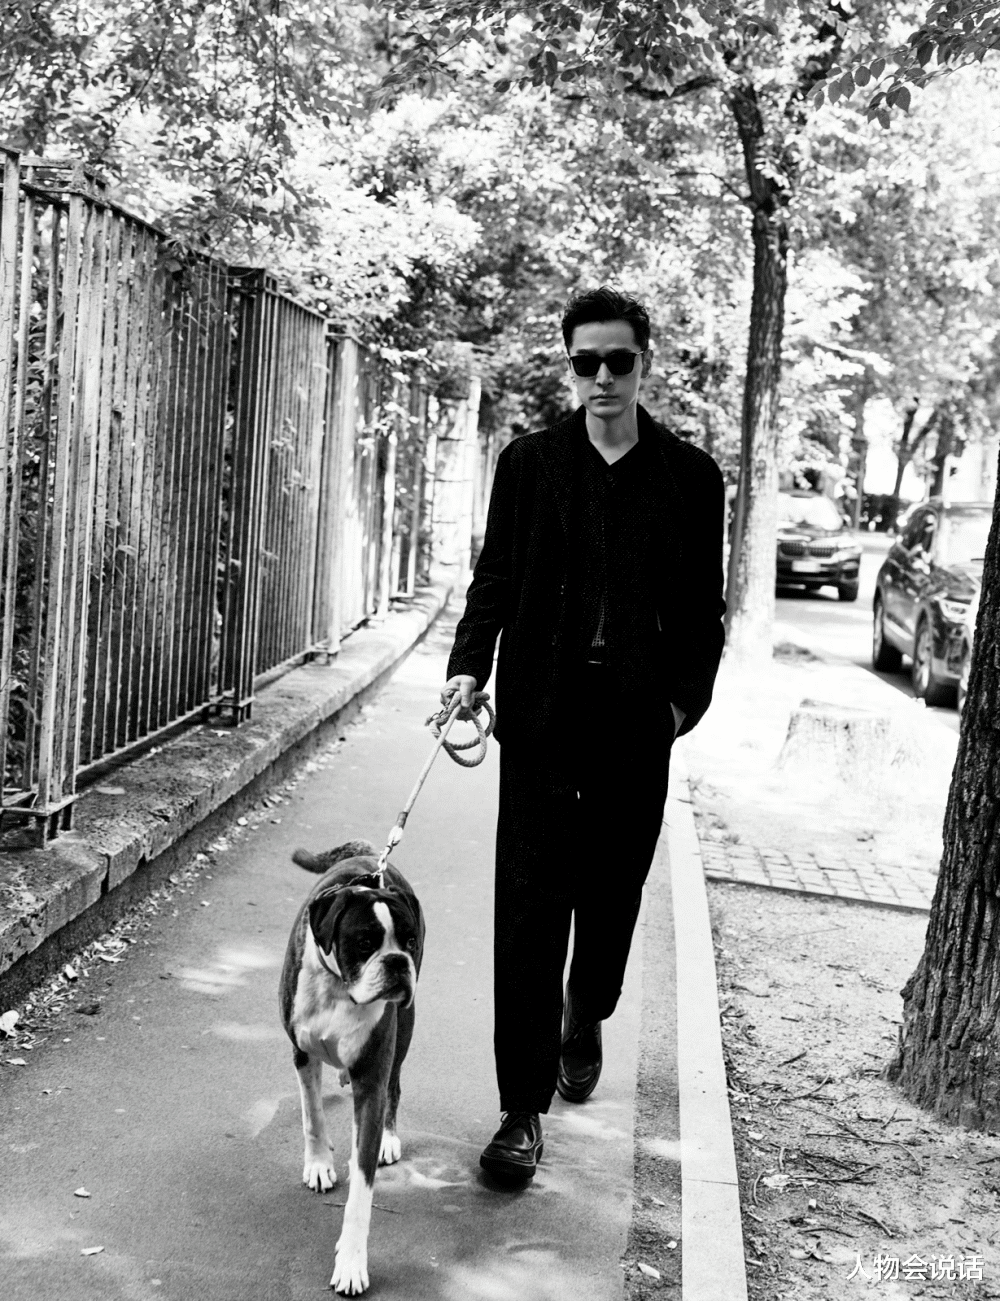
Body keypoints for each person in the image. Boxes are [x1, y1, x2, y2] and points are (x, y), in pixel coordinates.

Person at [442, 286, 726, 1182]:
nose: (602, 377)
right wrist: (468, 669)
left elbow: (702, 616)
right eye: (585, 361)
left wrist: (677, 710)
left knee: (608, 904)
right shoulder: (529, 465)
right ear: (569, 365)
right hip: (542, 722)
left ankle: (587, 1006)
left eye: (618, 360)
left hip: (635, 728)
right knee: (529, 912)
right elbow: (494, 580)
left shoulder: (691, 478)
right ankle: (520, 1110)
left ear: (645, 363)